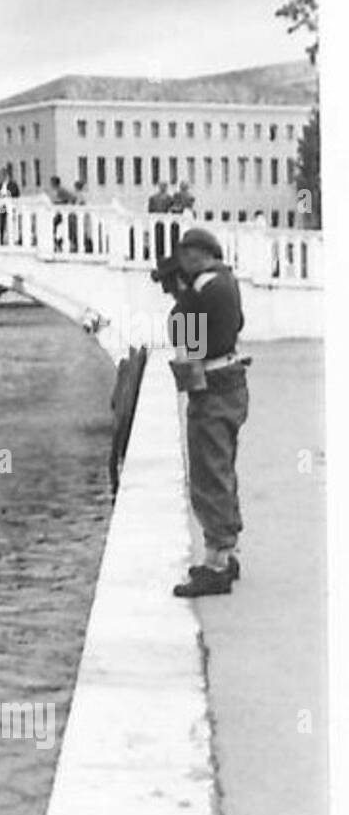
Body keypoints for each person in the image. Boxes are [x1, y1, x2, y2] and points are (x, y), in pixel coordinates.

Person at [161, 228, 249, 597]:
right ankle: (225, 552)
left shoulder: (203, 289)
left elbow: (184, 335)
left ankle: (216, 564)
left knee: (209, 472)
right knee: (222, 466)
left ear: (196, 256)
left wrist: (180, 297)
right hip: (231, 383)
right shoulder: (226, 281)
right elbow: (236, 325)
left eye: (184, 257)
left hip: (212, 389)